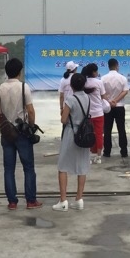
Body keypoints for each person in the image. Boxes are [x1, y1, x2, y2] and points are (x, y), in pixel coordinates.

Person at [0, 57, 42, 210]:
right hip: (22, 133)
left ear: (6, 72)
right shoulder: (23, 87)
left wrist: (3, 128)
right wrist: (31, 127)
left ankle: (12, 202)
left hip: (6, 133)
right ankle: (31, 201)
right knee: (28, 168)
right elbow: (30, 111)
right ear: (19, 72)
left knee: (9, 169)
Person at [53, 73, 91, 212]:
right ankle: (79, 199)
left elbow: (63, 120)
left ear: (71, 85)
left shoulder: (70, 99)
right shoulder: (87, 97)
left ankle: (63, 201)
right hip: (84, 134)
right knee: (82, 166)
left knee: (63, 166)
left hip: (71, 133)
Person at [101, 58, 128, 158]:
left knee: (107, 130)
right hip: (119, 106)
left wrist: (109, 101)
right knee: (121, 129)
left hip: (107, 107)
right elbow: (125, 91)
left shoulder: (103, 78)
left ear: (108, 66)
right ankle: (124, 151)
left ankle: (107, 151)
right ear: (117, 65)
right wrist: (116, 101)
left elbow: (102, 93)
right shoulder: (122, 78)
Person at [82, 63, 106, 163]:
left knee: (87, 134)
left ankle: (88, 156)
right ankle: (98, 156)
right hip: (99, 113)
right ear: (93, 72)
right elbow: (103, 96)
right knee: (99, 134)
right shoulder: (99, 82)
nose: (97, 73)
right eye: (96, 71)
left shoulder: (84, 82)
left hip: (87, 114)